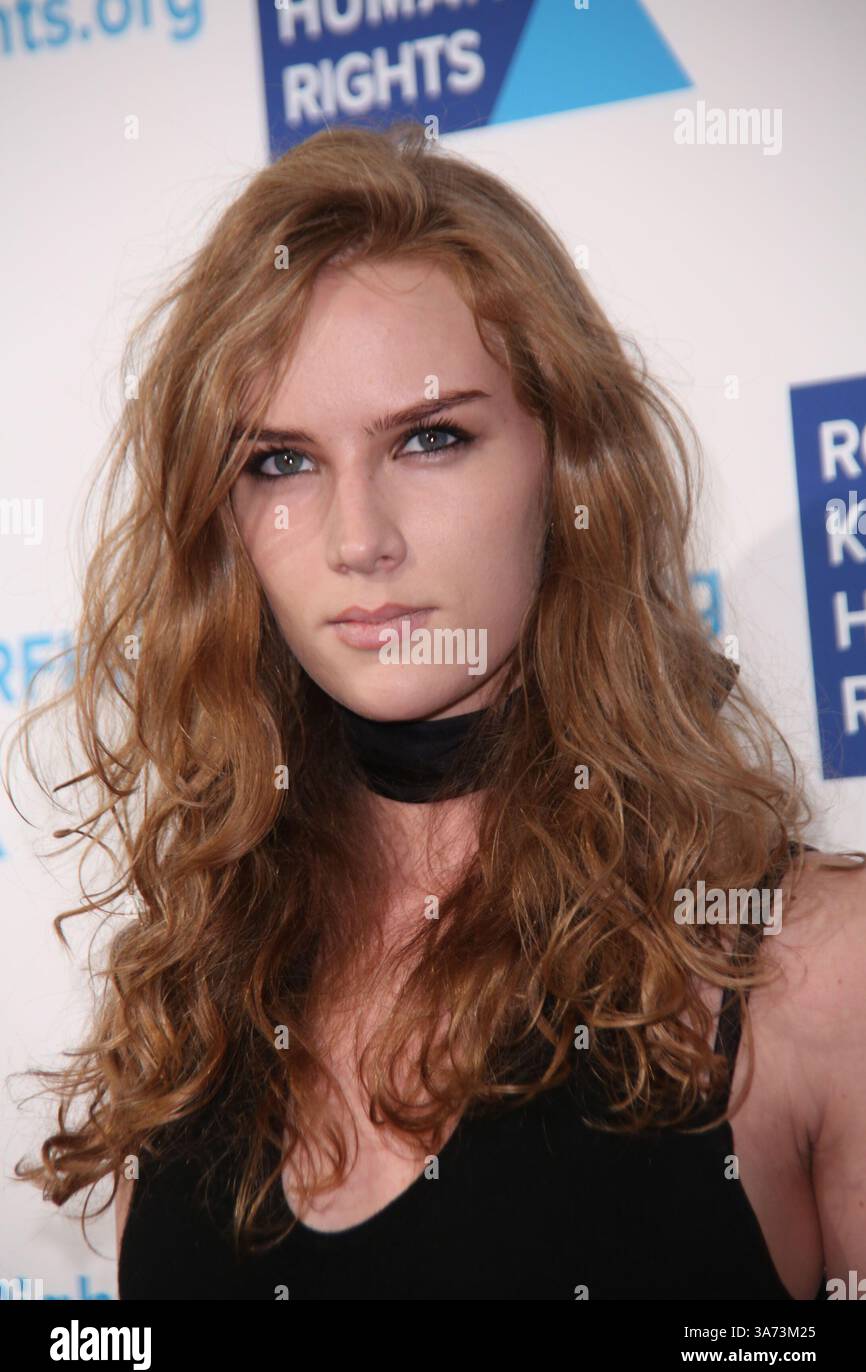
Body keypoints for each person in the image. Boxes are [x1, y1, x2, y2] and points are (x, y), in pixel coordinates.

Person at [8, 120, 866, 1301]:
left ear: (567, 468)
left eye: (429, 438)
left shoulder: (807, 971)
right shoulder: (201, 1010)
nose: (358, 539)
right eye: (279, 462)